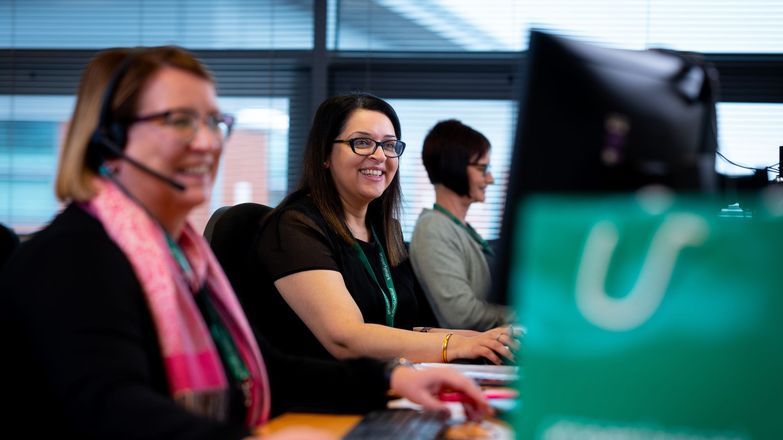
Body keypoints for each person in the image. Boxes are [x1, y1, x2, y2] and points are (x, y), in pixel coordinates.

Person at [0, 47, 492, 440]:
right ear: (110, 141)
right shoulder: (74, 257)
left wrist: (390, 380)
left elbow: (256, 369)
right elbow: (110, 411)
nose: (207, 142)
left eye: (213, 122)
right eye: (178, 121)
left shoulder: (180, 259)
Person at [250, 93, 518, 366]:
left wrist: (483, 340)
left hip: (387, 386)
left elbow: (400, 331)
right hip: (320, 400)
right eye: (362, 142)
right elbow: (346, 337)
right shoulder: (295, 227)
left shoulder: (384, 231)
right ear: (325, 155)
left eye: (389, 145)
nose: (379, 156)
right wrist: (456, 344)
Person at [410, 120, 514, 331]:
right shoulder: (433, 229)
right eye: (482, 168)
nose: (490, 178)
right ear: (454, 168)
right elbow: (462, 315)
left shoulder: (458, 227)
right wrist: (523, 315)